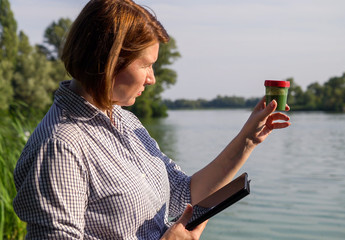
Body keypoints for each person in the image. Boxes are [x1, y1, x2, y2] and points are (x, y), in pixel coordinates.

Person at [12, 0, 291, 239]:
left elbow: (184, 194)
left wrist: (248, 138)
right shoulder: (60, 146)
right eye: (145, 64)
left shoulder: (126, 122)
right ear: (107, 60)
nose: (152, 78)